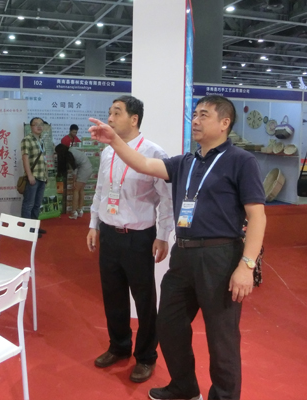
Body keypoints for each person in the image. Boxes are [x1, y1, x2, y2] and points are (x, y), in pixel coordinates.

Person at [89, 94, 266, 400]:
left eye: (204, 115)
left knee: (221, 337)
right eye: (194, 114)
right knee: (169, 324)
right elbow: (144, 163)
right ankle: (184, 386)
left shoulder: (241, 160)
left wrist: (246, 265)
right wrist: (114, 140)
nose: (195, 120)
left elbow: (257, 216)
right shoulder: (186, 162)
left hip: (219, 256)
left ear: (224, 123)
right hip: (183, 254)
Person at [86, 95, 173, 384]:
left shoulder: (153, 152)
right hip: (110, 234)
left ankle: (146, 356)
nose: (110, 118)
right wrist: (94, 224)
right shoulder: (107, 152)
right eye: (109, 112)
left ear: (134, 119)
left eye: (117, 113)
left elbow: (167, 199)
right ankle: (119, 346)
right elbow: (100, 190)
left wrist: (163, 236)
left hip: (139, 238)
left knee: (144, 300)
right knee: (113, 295)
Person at [21, 117, 48, 236]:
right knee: (28, 204)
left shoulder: (41, 140)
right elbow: (25, 158)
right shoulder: (27, 140)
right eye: (36, 124)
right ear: (31, 127)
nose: (39, 126)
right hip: (33, 176)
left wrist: (46, 175)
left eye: (41, 124)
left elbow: (44, 160)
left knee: (37, 204)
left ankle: (34, 227)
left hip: (42, 176)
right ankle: (27, 230)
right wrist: (29, 175)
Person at [55, 144, 92, 219]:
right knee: (81, 190)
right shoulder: (71, 150)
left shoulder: (69, 154)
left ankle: (74, 212)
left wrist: (74, 181)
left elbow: (74, 169)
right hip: (88, 168)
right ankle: (80, 211)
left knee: (75, 190)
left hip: (84, 169)